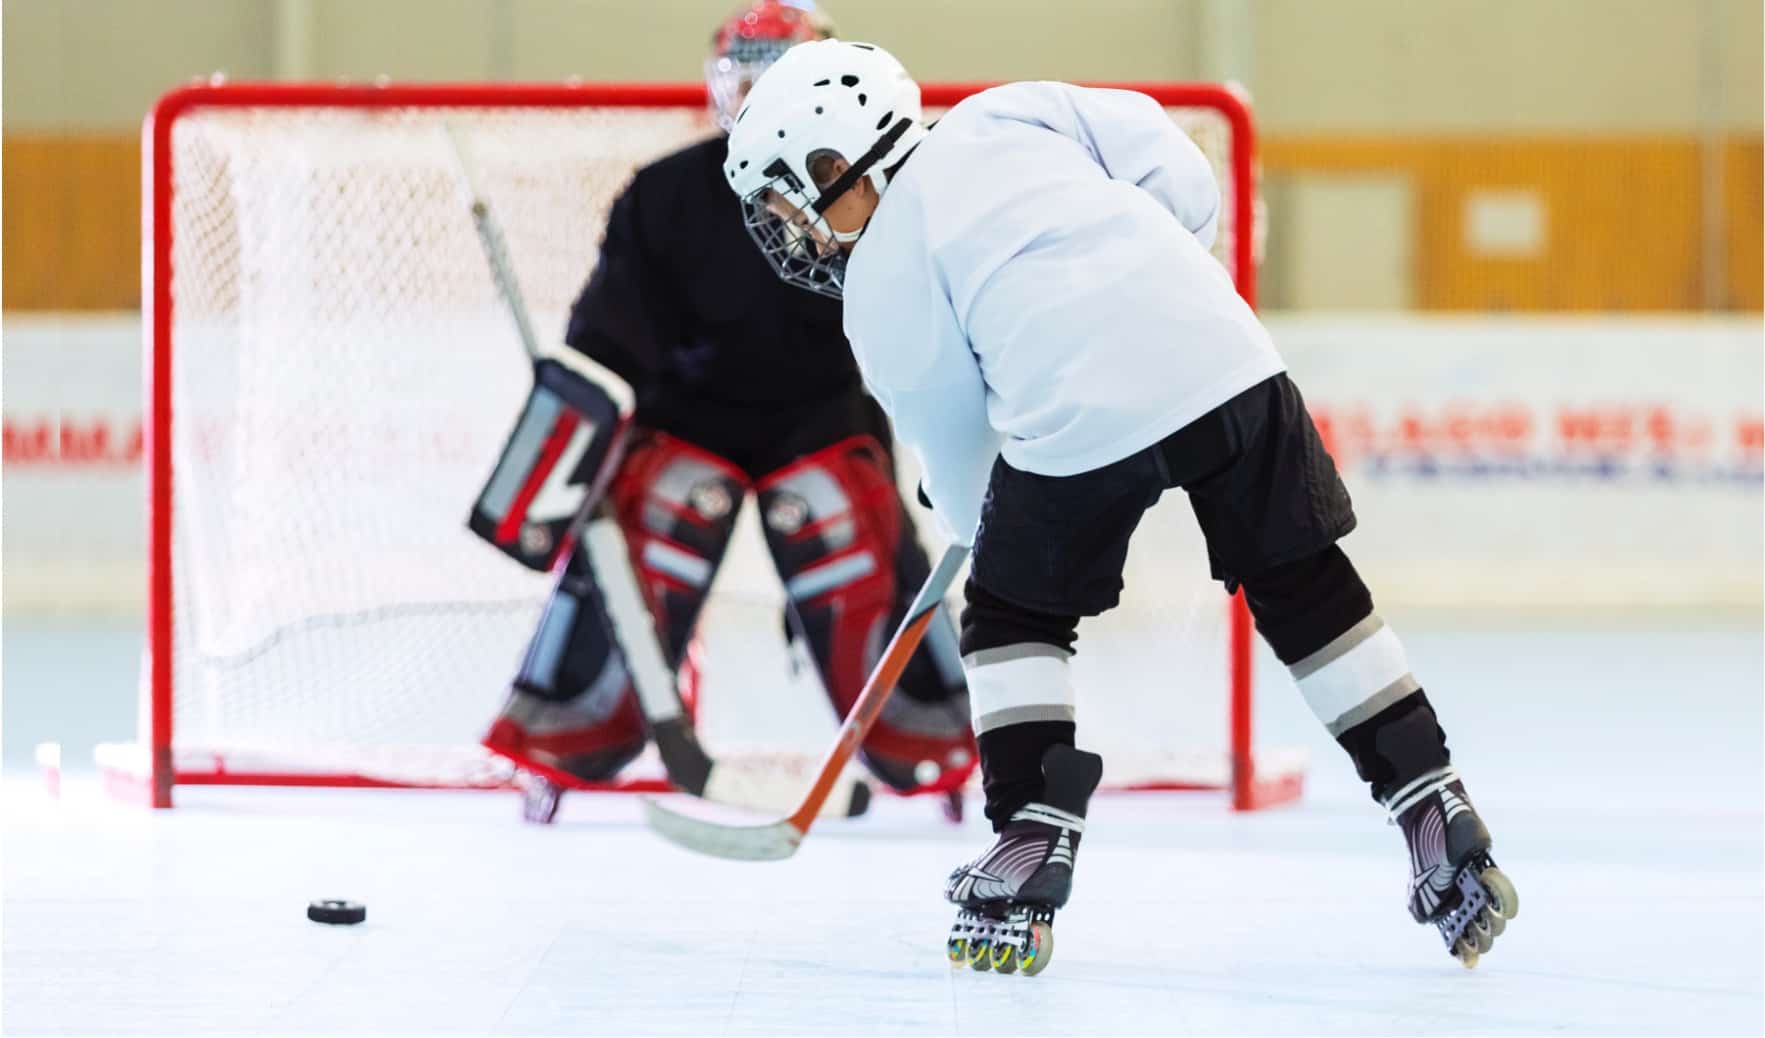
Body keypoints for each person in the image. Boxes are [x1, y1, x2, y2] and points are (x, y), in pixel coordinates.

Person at [722, 39, 1517, 974]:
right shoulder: (1004, 110)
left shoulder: (881, 281)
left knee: (1014, 617)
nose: (799, 234)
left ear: (834, 162)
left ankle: (1027, 841)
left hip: (1079, 409)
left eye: (790, 202)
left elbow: (962, 456)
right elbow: (1175, 169)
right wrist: (1132, 283)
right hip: (1228, 355)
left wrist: (976, 514)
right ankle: (1428, 796)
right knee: (1304, 585)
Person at [476, 4, 976, 816]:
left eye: (774, 75)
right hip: (687, 419)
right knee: (659, 508)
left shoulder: (867, 191)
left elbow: (914, 324)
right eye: (741, 74)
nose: (752, 92)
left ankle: (935, 740)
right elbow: (608, 342)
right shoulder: (665, 193)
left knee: (839, 519)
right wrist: (567, 444)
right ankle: (564, 735)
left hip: (819, 416)